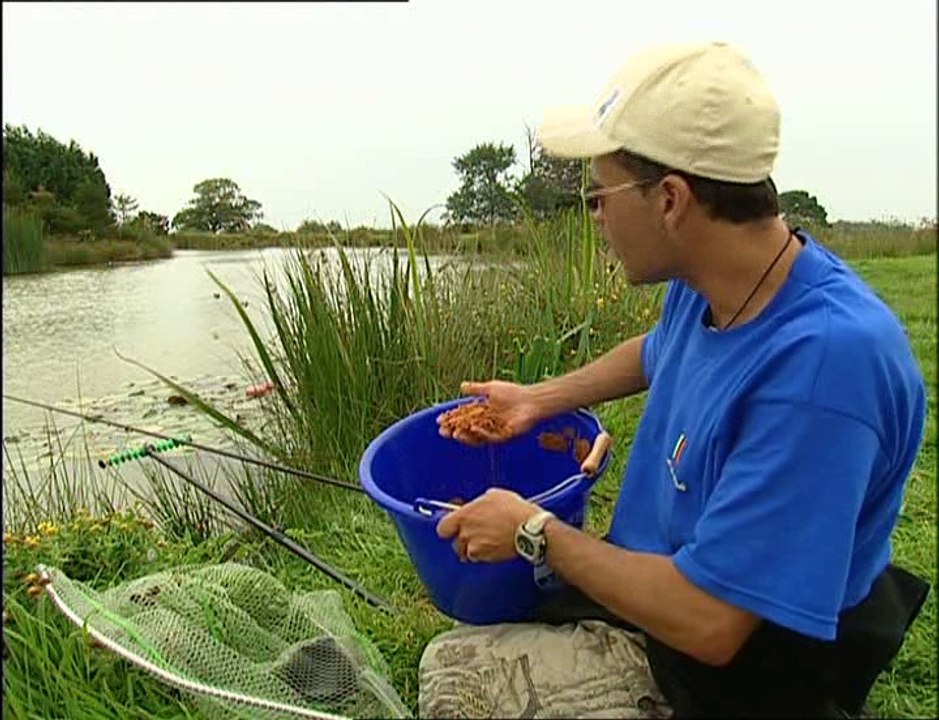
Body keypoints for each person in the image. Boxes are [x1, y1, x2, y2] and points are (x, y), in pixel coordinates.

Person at [418, 42, 929, 718]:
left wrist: (533, 530)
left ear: (669, 200)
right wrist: (538, 399)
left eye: (598, 196)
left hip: (738, 663)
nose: (595, 216)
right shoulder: (720, 279)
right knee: (468, 643)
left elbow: (711, 623)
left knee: (454, 680)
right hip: (673, 584)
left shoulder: (823, 373)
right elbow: (659, 350)